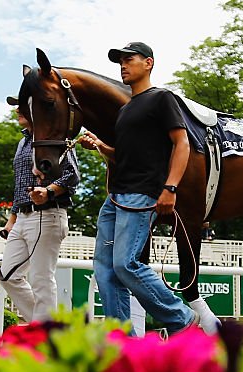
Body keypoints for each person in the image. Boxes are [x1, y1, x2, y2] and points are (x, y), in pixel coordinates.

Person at [77, 41, 198, 336]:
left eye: (129, 59)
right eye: (120, 61)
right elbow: (123, 155)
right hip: (115, 198)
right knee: (104, 271)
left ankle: (182, 318)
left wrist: (170, 188)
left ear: (149, 63)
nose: (123, 65)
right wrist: (101, 147)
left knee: (126, 264)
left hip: (141, 194)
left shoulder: (162, 98)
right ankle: (124, 342)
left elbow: (182, 143)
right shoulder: (126, 109)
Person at [0, 96, 78, 323]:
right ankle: (47, 326)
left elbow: (72, 175)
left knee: (41, 279)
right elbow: (19, 183)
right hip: (22, 217)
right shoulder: (22, 141)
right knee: (7, 275)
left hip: (48, 214)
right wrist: (12, 218)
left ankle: (44, 337)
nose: (17, 110)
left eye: (22, 106)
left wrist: (49, 191)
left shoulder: (56, 135)